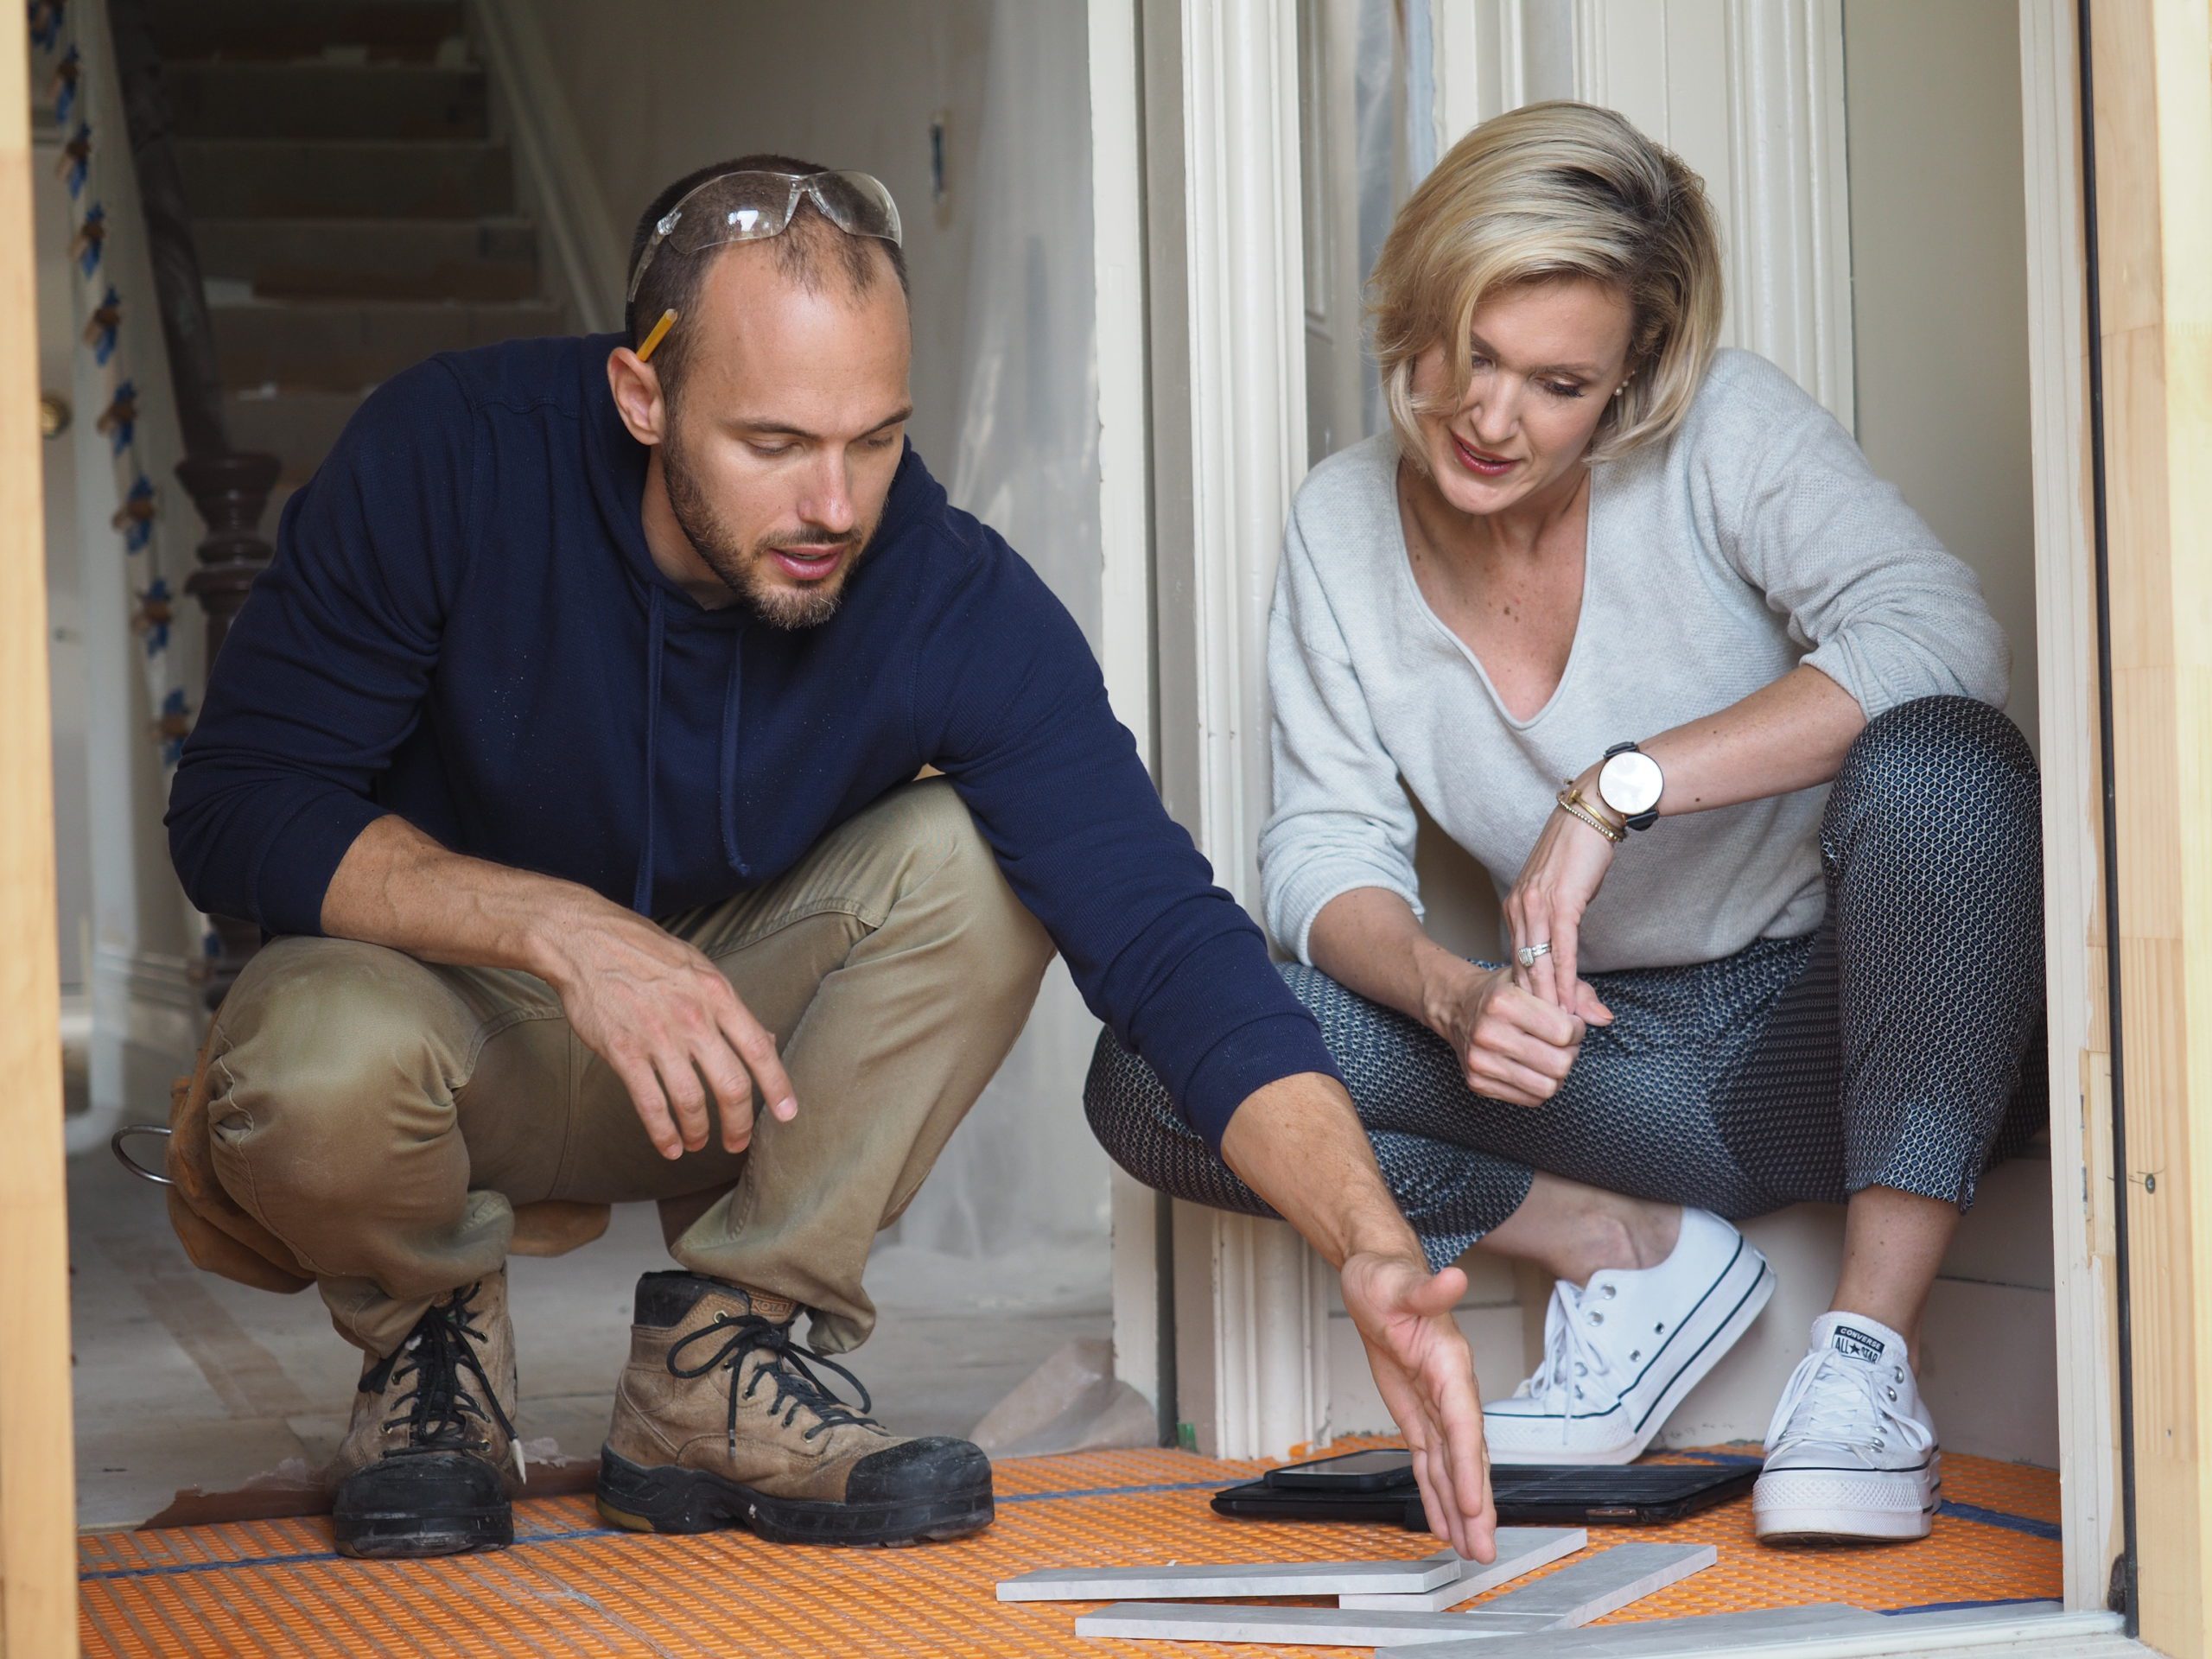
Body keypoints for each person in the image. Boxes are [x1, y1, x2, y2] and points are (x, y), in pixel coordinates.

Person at [166, 156, 1500, 1562]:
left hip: (727, 1063)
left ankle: (719, 1362)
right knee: (305, 1063)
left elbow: (1165, 934)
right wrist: (561, 929)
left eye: (876, 440)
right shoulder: (452, 455)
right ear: (642, 397)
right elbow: (237, 806)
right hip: (440, 1029)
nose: (835, 505)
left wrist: (1372, 1243)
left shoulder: (939, 588)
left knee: (983, 862)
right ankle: (428, 1350)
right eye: (775, 442)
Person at [1085, 102, 2044, 1547]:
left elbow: (1940, 631)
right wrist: (1455, 995)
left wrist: (1620, 787)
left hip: (1849, 1034)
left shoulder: (1724, 430)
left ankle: (1863, 1362)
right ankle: (1627, 1251)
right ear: (1419, 307)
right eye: (1471, 351)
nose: (1491, 417)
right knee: (1170, 1057)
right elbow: (1321, 850)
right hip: (1620, 1072)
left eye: (1556, 384)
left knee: (1949, 762)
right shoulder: (1343, 525)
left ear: (1629, 382)